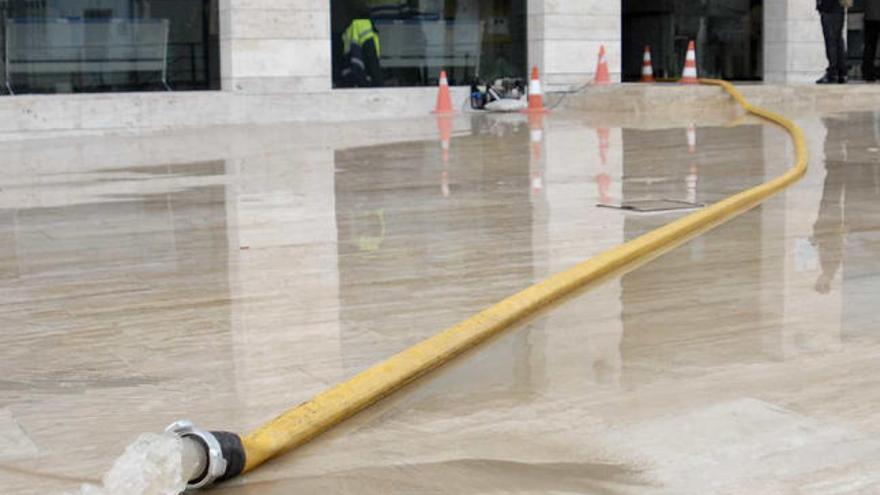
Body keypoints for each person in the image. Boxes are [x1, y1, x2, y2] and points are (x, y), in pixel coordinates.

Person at [340, 10, 383, 87]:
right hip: (365, 75)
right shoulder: (365, 27)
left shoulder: (350, 30)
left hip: (354, 76)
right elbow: (372, 59)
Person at [817, 0, 849, 84]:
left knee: (831, 41)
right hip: (837, 8)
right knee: (837, 40)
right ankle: (840, 72)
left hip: (830, 9)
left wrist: (821, 7)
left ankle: (833, 72)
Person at [863, 0, 880, 81]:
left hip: (871, 14)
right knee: (870, 44)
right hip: (871, 13)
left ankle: (868, 73)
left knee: (870, 44)